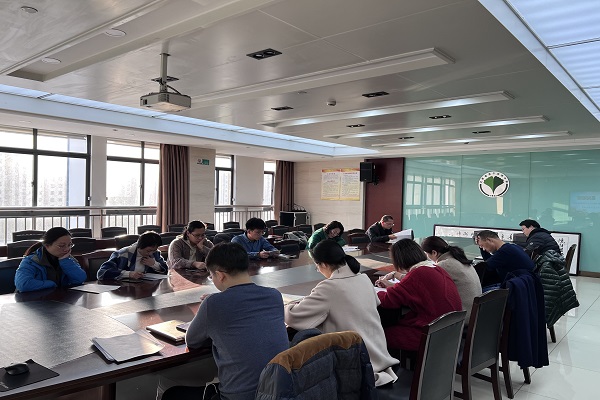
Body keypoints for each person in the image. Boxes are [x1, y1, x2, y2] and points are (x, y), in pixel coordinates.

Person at [165, 242, 289, 400]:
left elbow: (192, 341)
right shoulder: (274, 295)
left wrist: (211, 304)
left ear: (220, 275)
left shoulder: (213, 303)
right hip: (279, 391)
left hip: (240, 396)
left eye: (212, 276)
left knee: (172, 394)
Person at [284, 240, 399, 386]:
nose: (318, 270)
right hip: (379, 356)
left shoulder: (329, 287)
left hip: (356, 364)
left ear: (324, 264)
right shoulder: (363, 278)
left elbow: (293, 316)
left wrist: (288, 305)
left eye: (317, 267)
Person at [375, 239, 462, 352]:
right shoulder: (435, 268)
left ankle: (393, 363)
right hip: (448, 331)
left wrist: (370, 291)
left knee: (378, 335)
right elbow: (407, 289)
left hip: (430, 334)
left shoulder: (417, 274)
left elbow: (387, 300)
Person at [421, 236, 481, 321]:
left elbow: (423, 284)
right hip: (474, 315)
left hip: (462, 318)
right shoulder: (459, 259)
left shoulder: (445, 265)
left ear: (434, 253)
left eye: (427, 254)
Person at [14, 227, 87, 292]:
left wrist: (64, 261)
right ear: (47, 245)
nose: (67, 249)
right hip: (32, 300)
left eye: (69, 245)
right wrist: (51, 284)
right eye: (61, 246)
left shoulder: (68, 259)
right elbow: (23, 285)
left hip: (59, 299)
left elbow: (80, 279)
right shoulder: (31, 261)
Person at [97, 231, 167, 280]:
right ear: (140, 246)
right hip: (124, 289)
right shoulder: (122, 254)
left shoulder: (155, 253)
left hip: (146, 287)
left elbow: (167, 269)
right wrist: (128, 274)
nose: (151, 253)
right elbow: (102, 273)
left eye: (154, 250)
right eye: (148, 251)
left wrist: (154, 264)